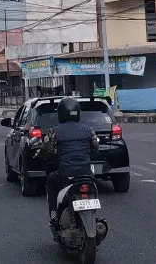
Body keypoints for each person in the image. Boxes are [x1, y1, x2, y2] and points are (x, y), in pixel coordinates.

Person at [36, 97, 98, 228]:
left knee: (51, 182)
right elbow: (95, 149)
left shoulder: (55, 131)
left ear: (61, 113)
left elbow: (46, 149)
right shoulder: (89, 130)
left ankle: (53, 216)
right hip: (86, 173)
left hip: (66, 174)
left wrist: (41, 155)